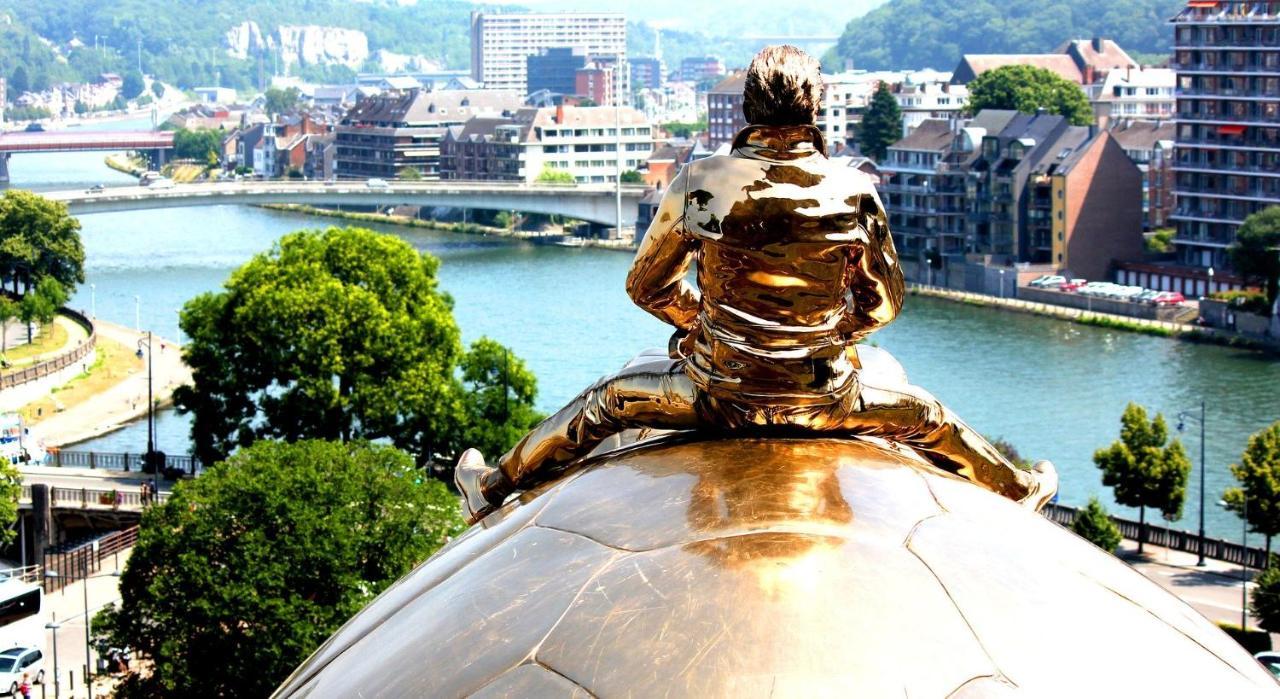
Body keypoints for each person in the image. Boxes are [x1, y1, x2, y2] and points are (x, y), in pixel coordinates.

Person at [455, 45, 1056, 523]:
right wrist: (822, 338)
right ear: (815, 110)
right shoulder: (852, 191)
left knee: (606, 403)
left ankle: (493, 485)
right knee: (928, 418)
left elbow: (646, 286)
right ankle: (1020, 488)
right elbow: (882, 305)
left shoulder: (701, 181)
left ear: (748, 108)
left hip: (719, 395)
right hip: (827, 400)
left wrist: (705, 324)